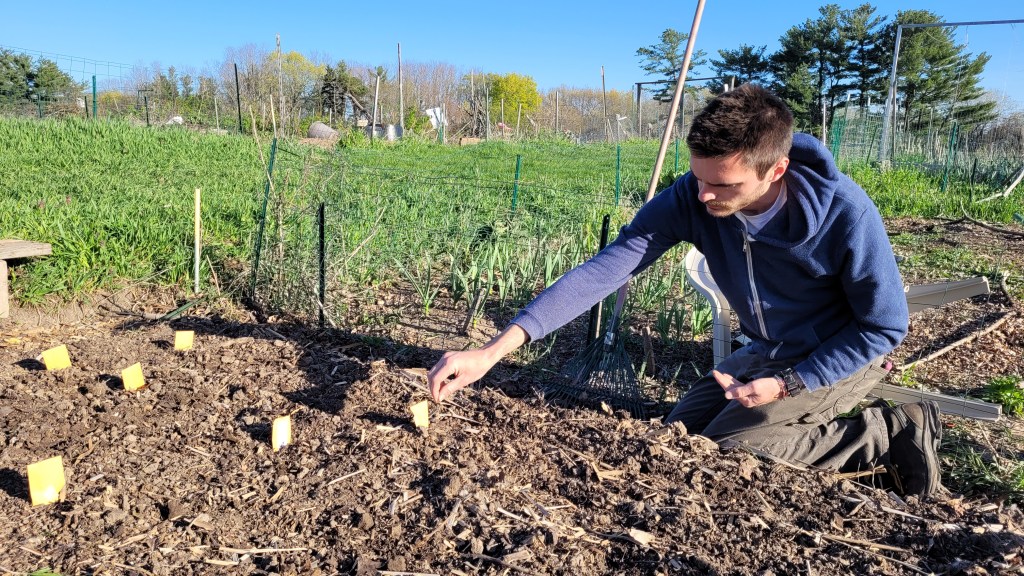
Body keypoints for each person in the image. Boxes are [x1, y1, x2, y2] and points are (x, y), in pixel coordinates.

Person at [427, 84, 941, 497]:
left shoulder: (845, 216)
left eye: (725, 185)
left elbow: (885, 325)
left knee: (734, 453)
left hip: (838, 353)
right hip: (767, 348)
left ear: (776, 170)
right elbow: (606, 269)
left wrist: (790, 383)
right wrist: (494, 351)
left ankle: (882, 435)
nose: (705, 195)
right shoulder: (693, 197)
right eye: (698, 177)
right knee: (678, 436)